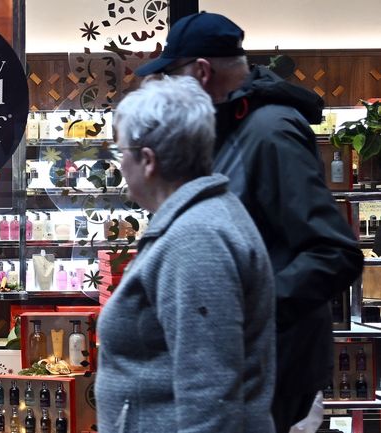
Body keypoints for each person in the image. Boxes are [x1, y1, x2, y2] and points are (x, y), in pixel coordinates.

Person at [135, 12, 364, 433]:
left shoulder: (269, 131)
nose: (167, 88)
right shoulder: (237, 127)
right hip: (253, 362)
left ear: (201, 73)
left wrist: (247, 311)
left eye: (172, 75)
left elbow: (335, 253)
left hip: (277, 367)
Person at [95, 75, 276, 433]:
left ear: (147, 160)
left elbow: (210, 396)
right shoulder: (199, 222)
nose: (120, 166)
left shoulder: (196, 239)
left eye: (121, 152)